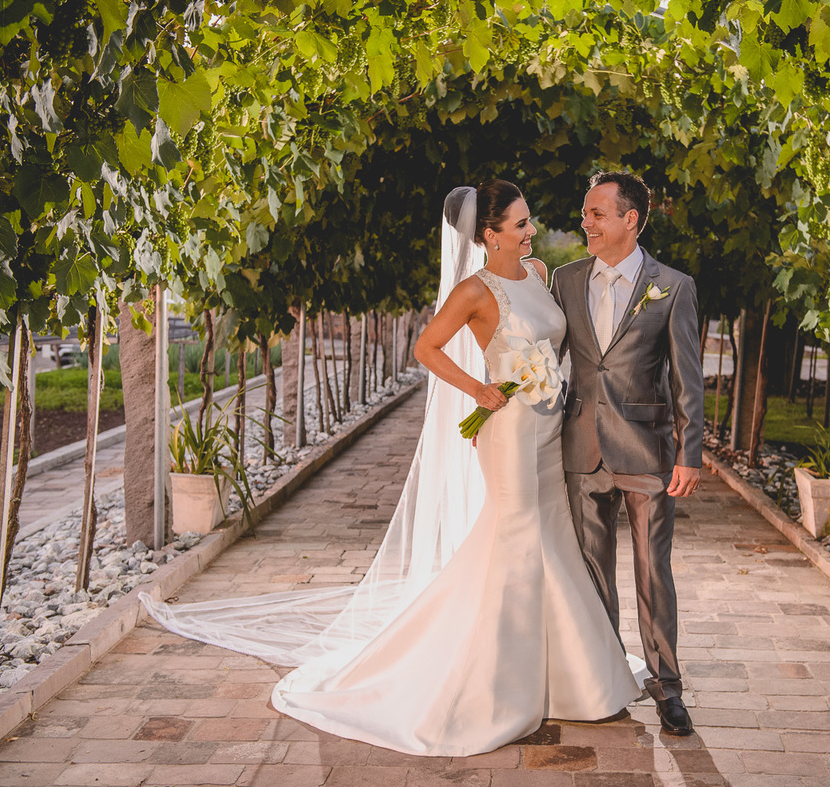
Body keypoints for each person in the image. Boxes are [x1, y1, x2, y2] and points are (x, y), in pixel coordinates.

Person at [141, 180, 640, 757]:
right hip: (509, 432)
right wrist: (479, 389)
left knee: (550, 538)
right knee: (521, 540)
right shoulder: (474, 291)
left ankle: (569, 678)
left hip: (548, 429)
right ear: (490, 234)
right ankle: (499, 685)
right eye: (522, 224)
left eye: (530, 220)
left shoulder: (537, 274)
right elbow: (426, 349)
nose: (533, 231)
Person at [550, 171, 705, 736]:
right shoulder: (566, 280)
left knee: (652, 571)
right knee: (590, 570)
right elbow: (544, 359)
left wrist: (690, 452)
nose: (585, 222)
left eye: (596, 213)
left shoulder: (674, 286)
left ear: (630, 219)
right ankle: (605, 677)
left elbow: (688, 377)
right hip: (581, 447)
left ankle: (668, 689)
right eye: (585, 212)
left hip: (647, 451)